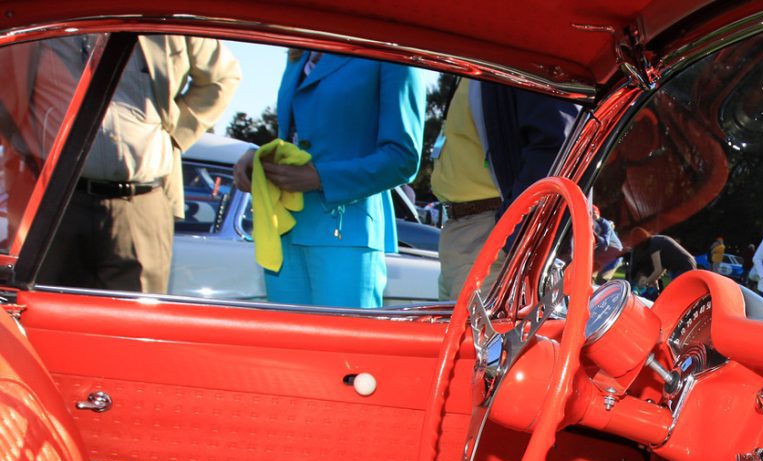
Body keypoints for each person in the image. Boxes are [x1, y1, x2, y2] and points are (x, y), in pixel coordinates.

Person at [37, 36, 241, 294]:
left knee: (137, 322)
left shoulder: (166, 16)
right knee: (48, 319)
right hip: (55, 203)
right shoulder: (45, 17)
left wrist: (173, 136)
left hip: (142, 202)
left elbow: (223, 77)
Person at [233, 51, 427, 309]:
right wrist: (261, 157)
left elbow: (403, 158)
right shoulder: (298, 53)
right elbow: (300, 137)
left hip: (347, 232)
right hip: (284, 231)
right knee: (286, 347)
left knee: (345, 347)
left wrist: (321, 178)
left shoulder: (390, 50)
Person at [431, 79, 580, 300]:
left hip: (491, 237)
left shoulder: (519, 50)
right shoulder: (476, 63)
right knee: (462, 334)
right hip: (466, 234)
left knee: (483, 335)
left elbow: (557, 143)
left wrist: (514, 236)